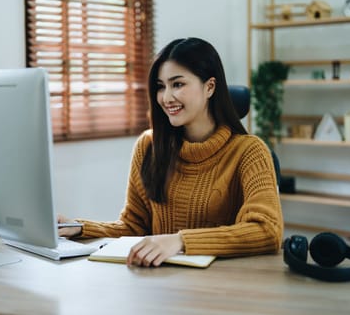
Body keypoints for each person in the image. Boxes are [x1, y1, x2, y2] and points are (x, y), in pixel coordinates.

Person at [59, 37, 283, 267]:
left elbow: (267, 230)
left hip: (221, 289)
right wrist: (79, 228)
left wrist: (180, 241)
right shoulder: (149, 146)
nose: (166, 98)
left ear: (210, 87)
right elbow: (134, 227)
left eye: (177, 84)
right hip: (159, 286)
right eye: (160, 86)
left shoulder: (249, 151)